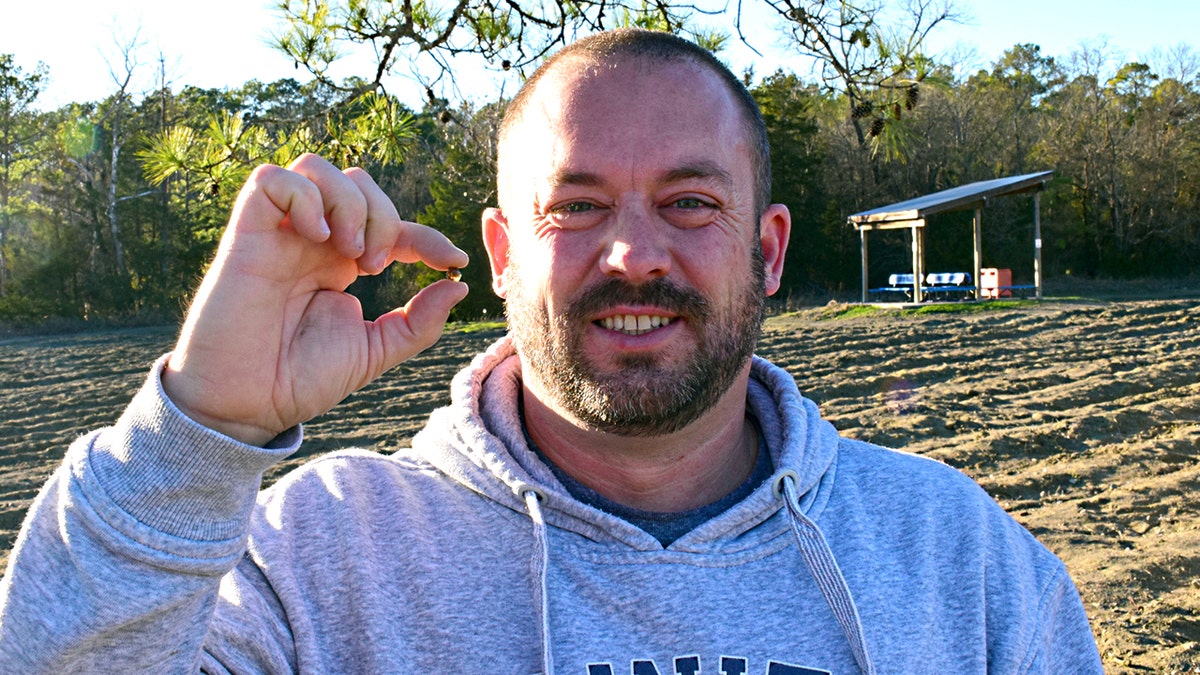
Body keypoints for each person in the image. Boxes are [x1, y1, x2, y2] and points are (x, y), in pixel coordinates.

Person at [0, 28, 1101, 674]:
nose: (632, 254)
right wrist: (204, 428)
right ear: (502, 254)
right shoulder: (320, 563)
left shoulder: (962, 566)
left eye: (687, 200)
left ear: (767, 251)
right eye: (574, 207)